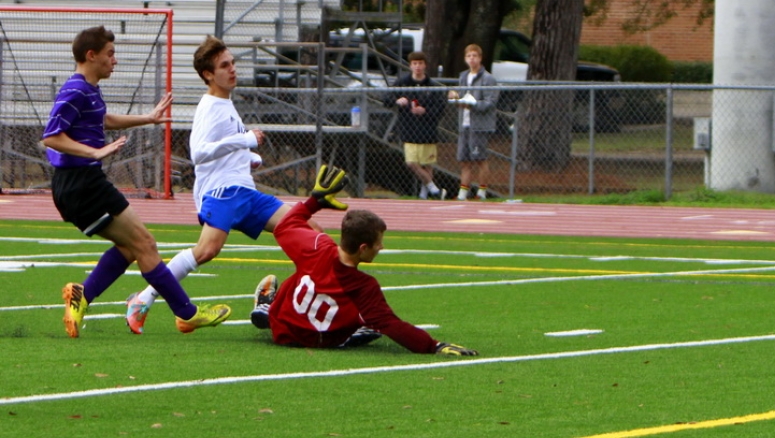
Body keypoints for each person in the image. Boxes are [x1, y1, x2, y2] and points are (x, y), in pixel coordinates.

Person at [42, 25, 231, 338]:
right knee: (145, 244)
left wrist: (148, 118)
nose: (114, 60)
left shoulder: (88, 89)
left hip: (83, 182)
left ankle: (83, 295)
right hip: (80, 182)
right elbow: (51, 136)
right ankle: (188, 314)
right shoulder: (74, 90)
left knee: (131, 247)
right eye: (110, 54)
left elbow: (102, 119)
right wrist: (94, 151)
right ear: (91, 55)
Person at [125, 35, 321, 334]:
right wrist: (245, 140)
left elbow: (223, 148)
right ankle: (142, 299)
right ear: (208, 74)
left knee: (310, 231)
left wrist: (248, 157)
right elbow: (199, 152)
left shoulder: (226, 105)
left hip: (246, 193)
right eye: (224, 65)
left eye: (233, 63)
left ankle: (306, 303)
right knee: (206, 251)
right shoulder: (211, 106)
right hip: (222, 193)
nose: (232, 69)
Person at [249, 165, 478, 356]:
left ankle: (267, 307)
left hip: (284, 332)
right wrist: (434, 345)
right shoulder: (364, 286)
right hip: (323, 341)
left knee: (297, 280)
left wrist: (315, 201)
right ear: (362, 248)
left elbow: (287, 225)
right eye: (378, 243)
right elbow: (391, 324)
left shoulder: (317, 246)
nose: (381, 247)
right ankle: (266, 307)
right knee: (372, 324)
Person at [384, 51, 447, 200]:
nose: (417, 66)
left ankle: (424, 194)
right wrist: (397, 101)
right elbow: (386, 98)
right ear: (410, 65)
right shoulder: (402, 83)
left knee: (427, 164)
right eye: (414, 63)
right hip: (409, 129)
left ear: (425, 65)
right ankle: (434, 189)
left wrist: (425, 111)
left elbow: (440, 108)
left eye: (420, 63)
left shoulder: (432, 86)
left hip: (428, 130)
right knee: (411, 162)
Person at [447, 44, 499, 201]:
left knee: (480, 158)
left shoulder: (488, 78)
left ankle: (482, 191)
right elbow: (461, 98)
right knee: (464, 160)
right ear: (465, 58)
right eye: (469, 56)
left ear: (480, 58)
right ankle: (463, 192)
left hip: (479, 125)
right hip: (464, 123)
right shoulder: (463, 77)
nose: (472, 59)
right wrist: (455, 97)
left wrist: (474, 104)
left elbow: (490, 102)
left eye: (475, 56)